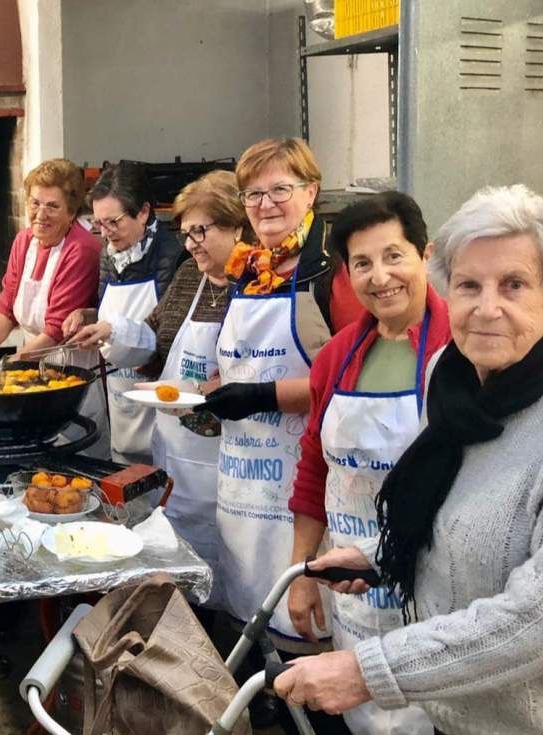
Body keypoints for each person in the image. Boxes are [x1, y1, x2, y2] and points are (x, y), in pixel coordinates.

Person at [273, 185, 543, 735]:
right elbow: (460, 517)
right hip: (459, 714)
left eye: (514, 284)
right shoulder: (451, 376)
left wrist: (369, 672)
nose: (487, 308)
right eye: (469, 285)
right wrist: (381, 555)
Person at [285, 192, 445, 735]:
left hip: (435, 605)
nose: (380, 277)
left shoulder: (460, 353)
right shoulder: (337, 357)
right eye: (362, 263)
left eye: (394, 256)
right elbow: (314, 469)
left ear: (425, 254)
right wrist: (303, 574)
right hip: (353, 596)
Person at [199, 138, 364, 657]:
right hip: (243, 487)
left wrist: (262, 395)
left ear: (311, 192)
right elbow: (243, 360)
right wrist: (221, 386)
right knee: (250, 625)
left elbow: (356, 381)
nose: (265, 204)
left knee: (307, 643)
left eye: (280, 190)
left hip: (309, 489)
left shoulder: (332, 272)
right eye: (253, 194)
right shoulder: (249, 269)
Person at [69, 170, 249, 609]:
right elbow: (154, 335)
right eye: (187, 233)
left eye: (201, 232)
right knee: (180, 558)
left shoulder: (255, 287)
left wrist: (215, 386)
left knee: (233, 567)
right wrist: (112, 331)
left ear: (237, 226)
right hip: (176, 453)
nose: (192, 244)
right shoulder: (189, 277)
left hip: (229, 458)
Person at [0, 158, 108, 456]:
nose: (40, 214)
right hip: (32, 367)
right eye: (35, 203)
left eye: (52, 206)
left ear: (71, 211)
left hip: (71, 375)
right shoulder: (24, 241)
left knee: (70, 455)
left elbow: (56, 330)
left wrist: (7, 368)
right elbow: (6, 307)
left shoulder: (81, 249)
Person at [62, 162, 183, 464]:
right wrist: (89, 316)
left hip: (159, 403)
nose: (106, 233)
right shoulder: (110, 254)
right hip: (120, 401)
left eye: (113, 222)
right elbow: (115, 311)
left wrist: (116, 331)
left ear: (143, 211)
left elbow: (169, 333)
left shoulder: (174, 256)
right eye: (99, 223)